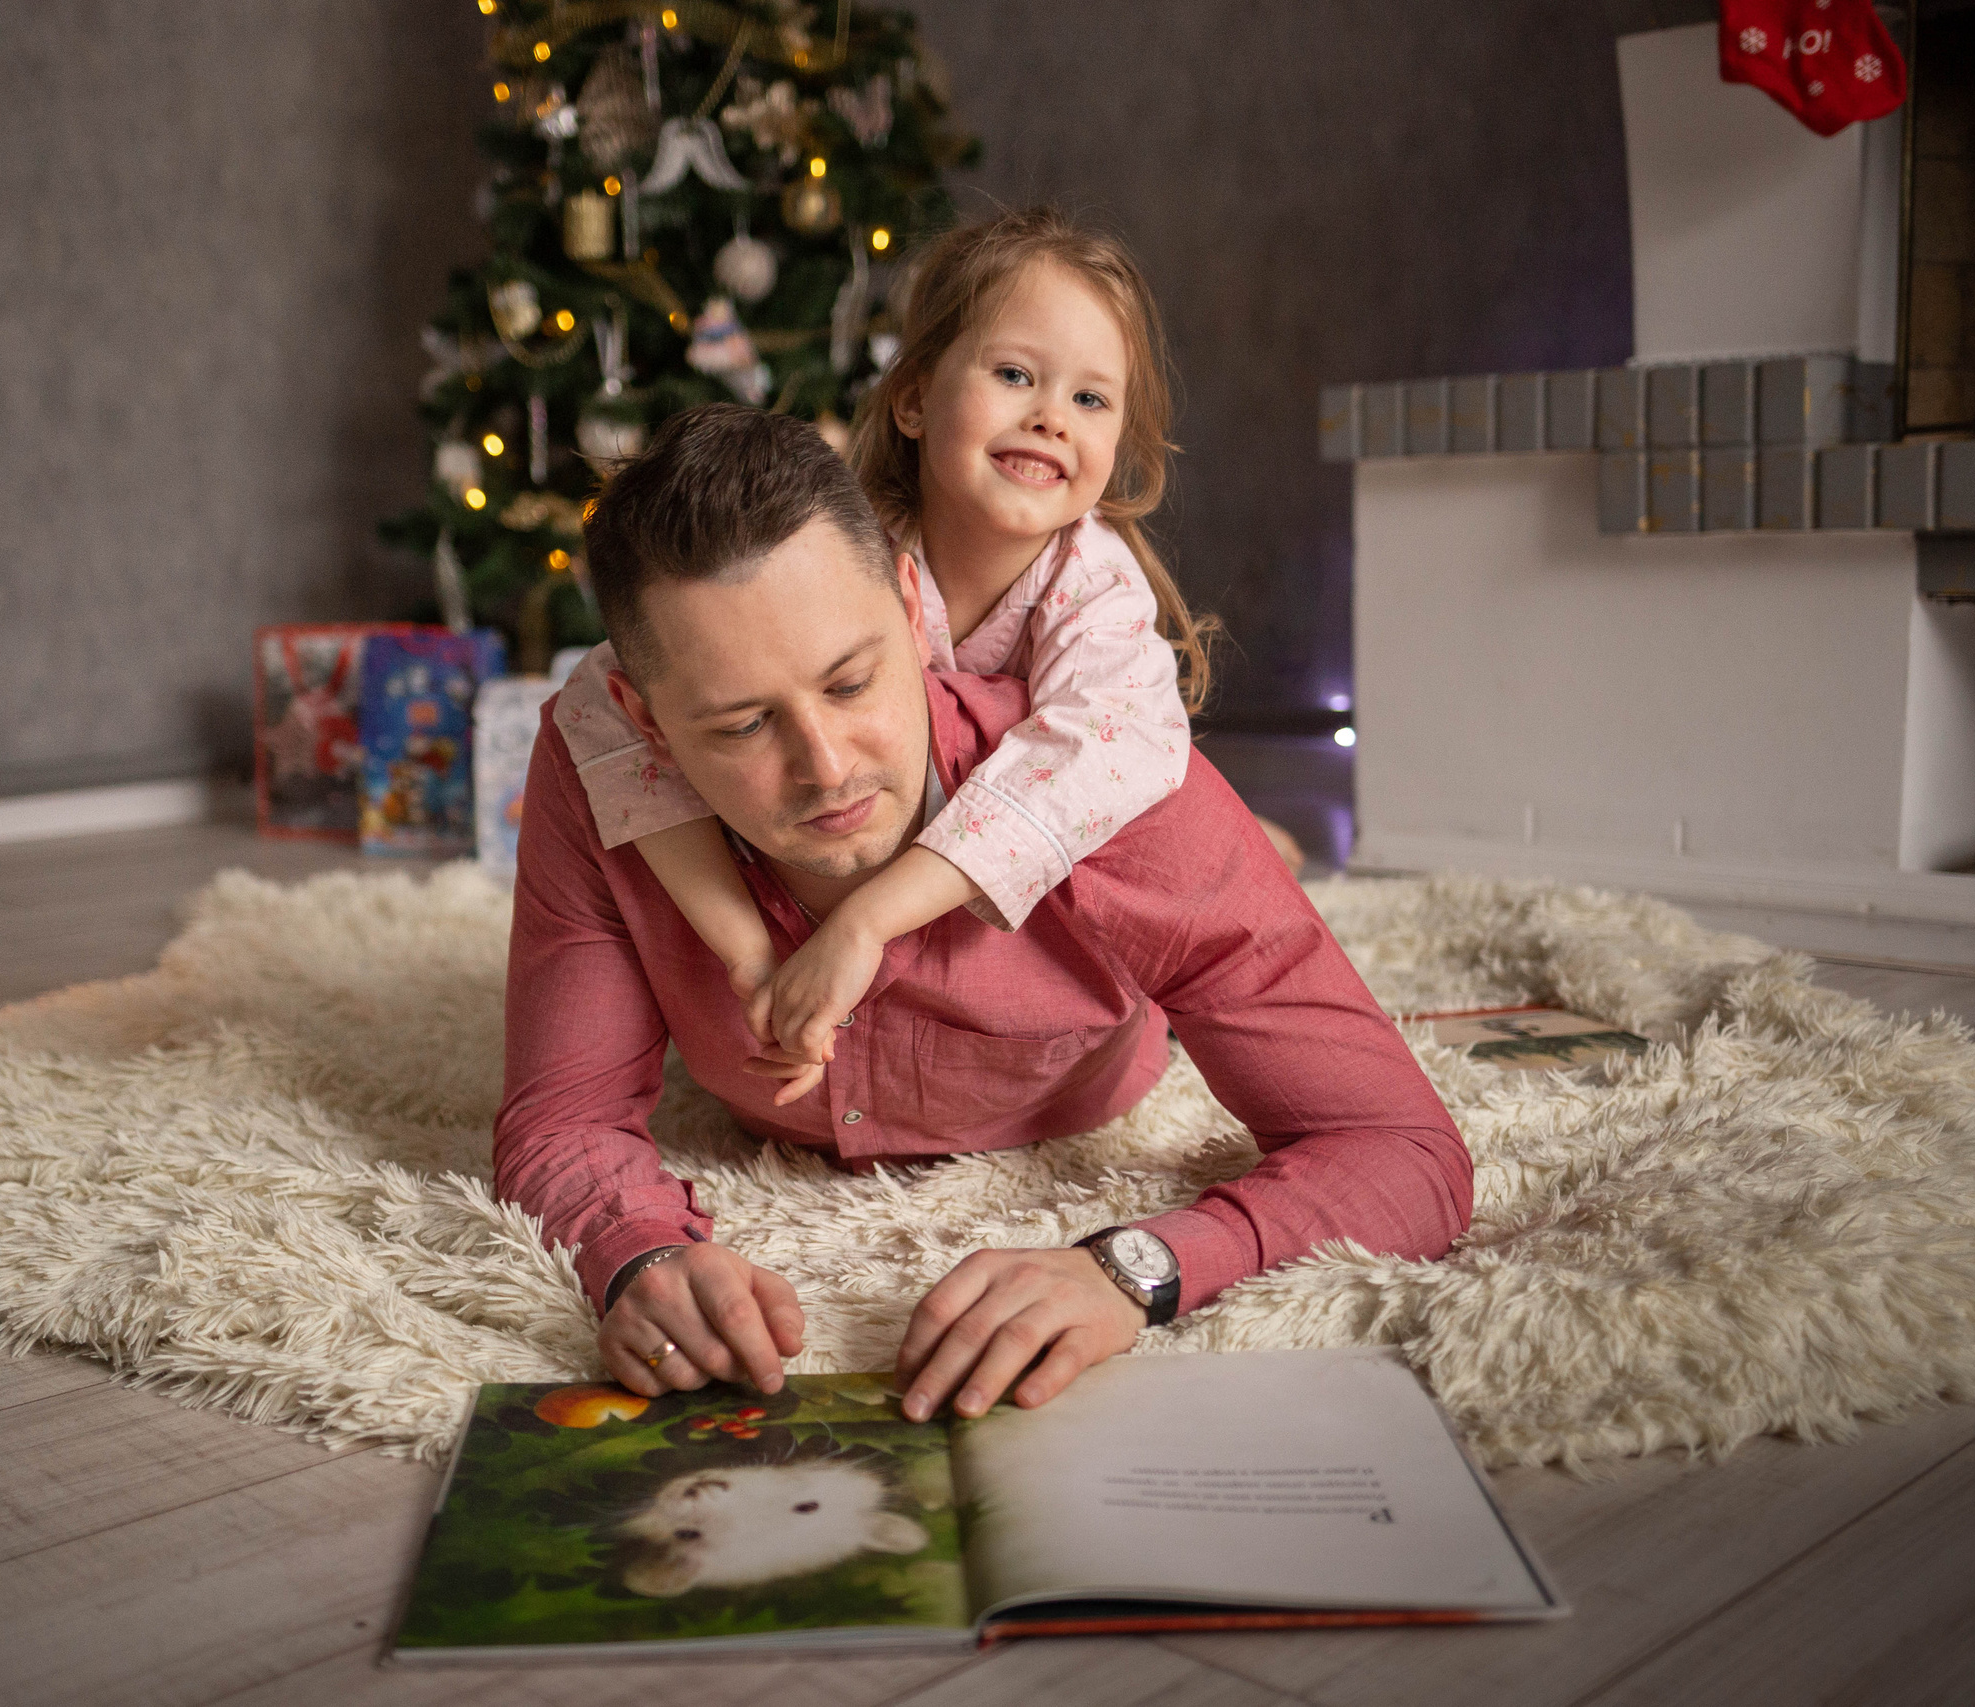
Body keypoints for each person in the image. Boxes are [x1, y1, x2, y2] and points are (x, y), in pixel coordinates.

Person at [496, 404, 1470, 1425]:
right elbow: (560, 1119)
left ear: (913, 610)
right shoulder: (598, 769)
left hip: (1114, 1040)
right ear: (646, 722)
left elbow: (1403, 1151)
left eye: (852, 682)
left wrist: (1135, 1269)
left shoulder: (1109, 780)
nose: (826, 769)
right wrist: (636, 1251)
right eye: (743, 724)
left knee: (1219, 877)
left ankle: (1251, 855)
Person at [552, 207, 1300, 1109]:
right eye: (1016, 374)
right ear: (913, 397)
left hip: (1053, 964)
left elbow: (1108, 751)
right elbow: (603, 694)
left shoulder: (1096, 591)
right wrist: (749, 951)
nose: (1051, 419)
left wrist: (869, 919)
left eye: (1091, 399)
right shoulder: (845, 547)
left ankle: (1268, 863)